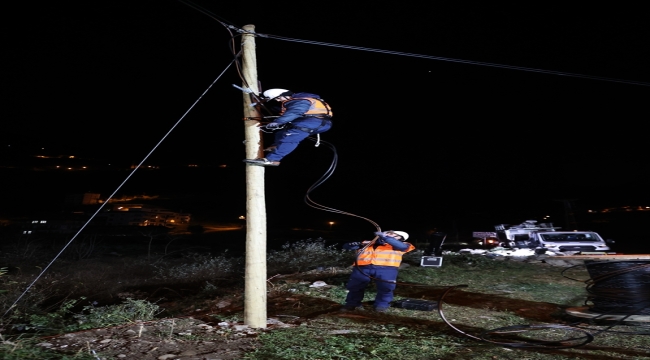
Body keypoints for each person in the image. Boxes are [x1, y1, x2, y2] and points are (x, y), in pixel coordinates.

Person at [243, 88, 333, 166]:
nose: (278, 100)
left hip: (312, 121)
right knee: (282, 133)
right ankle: (276, 146)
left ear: (285, 95)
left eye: (278, 98)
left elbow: (295, 112)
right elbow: (288, 111)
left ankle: (272, 160)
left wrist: (277, 122)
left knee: (290, 137)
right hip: (316, 122)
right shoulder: (298, 101)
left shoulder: (300, 101)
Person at [341, 230, 415, 312]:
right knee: (355, 287)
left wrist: (385, 237)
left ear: (400, 238)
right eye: (387, 233)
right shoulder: (369, 243)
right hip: (362, 268)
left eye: (392, 234)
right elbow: (346, 246)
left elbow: (403, 247)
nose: (387, 234)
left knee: (386, 289)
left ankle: (381, 306)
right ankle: (352, 304)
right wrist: (354, 244)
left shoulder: (403, 245)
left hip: (387, 269)